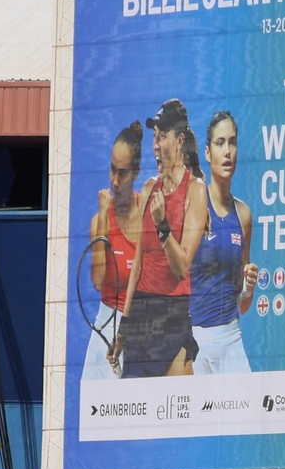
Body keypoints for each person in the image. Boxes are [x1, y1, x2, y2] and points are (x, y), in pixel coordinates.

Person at [115, 99, 205, 377]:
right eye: (154, 136)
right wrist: (123, 328)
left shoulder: (196, 191)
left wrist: (162, 225)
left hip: (173, 314)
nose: (155, 144)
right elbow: (137, 265)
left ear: (179, 141)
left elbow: (181, 268)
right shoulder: (149, 188)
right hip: (140, 316)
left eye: (162, 136)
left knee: (177, 417)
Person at [189, 111, 258, 373]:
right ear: (208, 153)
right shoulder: (193, 207)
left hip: (231, 338)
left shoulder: (244, 215)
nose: (227, 151)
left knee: (248, 414)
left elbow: (243, 302)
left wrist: (249, 288)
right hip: (196, 341)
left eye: (232, 142)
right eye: (220, 143)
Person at [84, 122, 144, 380]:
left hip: (141, 324)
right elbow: (97, 281)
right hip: (107, 321)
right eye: (112, 170)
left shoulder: (148, 215)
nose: (114, 180)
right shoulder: (99, 221)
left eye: (122, 173)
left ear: (136, 172)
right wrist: (104, 223)